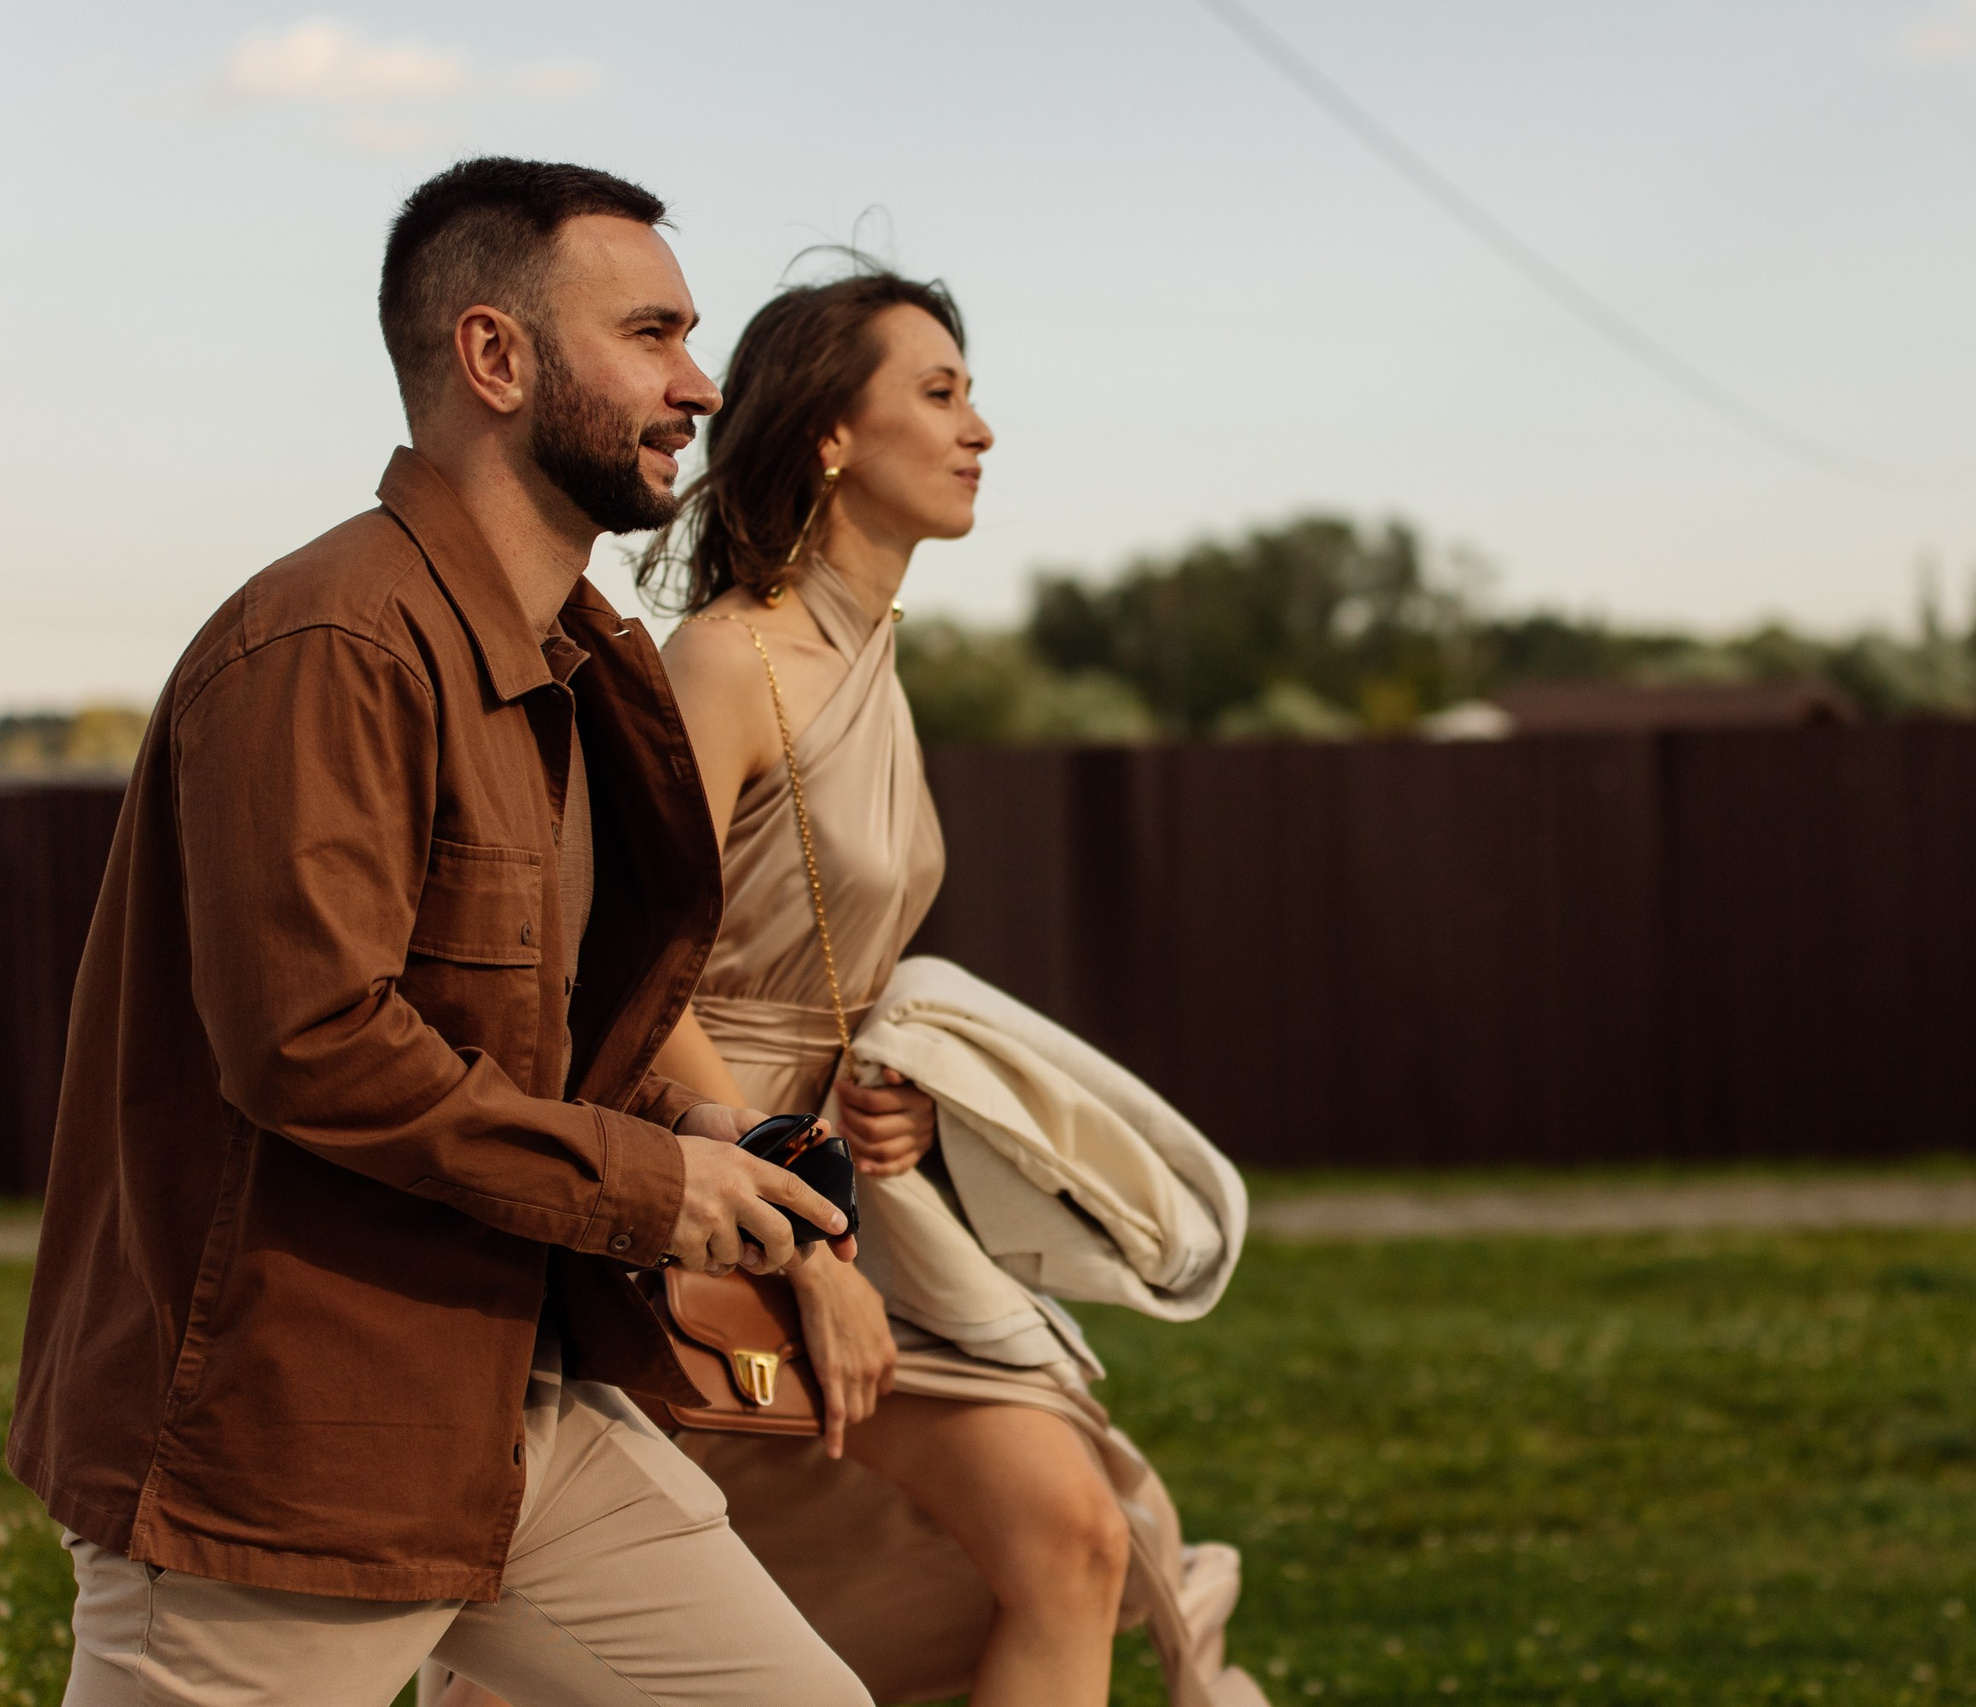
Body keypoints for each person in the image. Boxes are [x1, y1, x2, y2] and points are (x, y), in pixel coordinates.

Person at [6, 157, 878, 1705]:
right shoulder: (331, 643)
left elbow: (516, 1026)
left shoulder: (572, 663)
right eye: (655, 333)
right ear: (496, 357)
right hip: (275, 1469)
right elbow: (315, 1043)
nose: (700, 382)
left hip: (511, 1418)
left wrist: (705, 1137)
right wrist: (654, 1185)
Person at [611, 261, 1258, 1707]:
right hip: (716, 1199)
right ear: (833, 436)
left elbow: (831, 969)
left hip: (847, 1182)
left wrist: (884, 1085)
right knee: (632, 1636)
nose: (980, 431)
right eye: (943, 393)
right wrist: (804, 1241)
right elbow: (634, 973)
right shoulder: (724, 662)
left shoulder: (875, 662)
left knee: (1071, 1539)